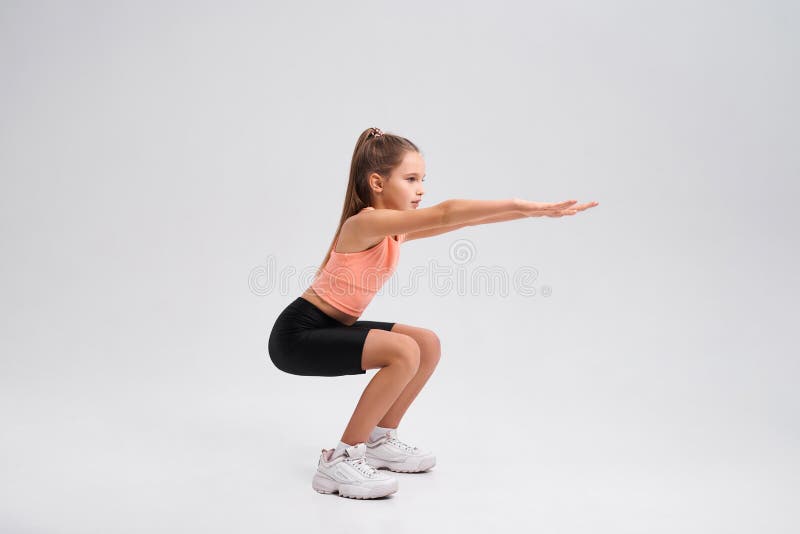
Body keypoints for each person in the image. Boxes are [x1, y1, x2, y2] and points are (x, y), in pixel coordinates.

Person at [267, 126, 599, 499]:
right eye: (410, 179)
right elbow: (446, 213)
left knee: (425, 343)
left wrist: (529, 214)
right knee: (403, 351)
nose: (421, 188)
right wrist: (522, 203)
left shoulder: (393, 230)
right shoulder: (366, 223)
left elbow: (461, 219)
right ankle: (340, 458)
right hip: (297, 335)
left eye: (423, 179)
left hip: (329, 326)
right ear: (377, 182)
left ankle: (380, 440)